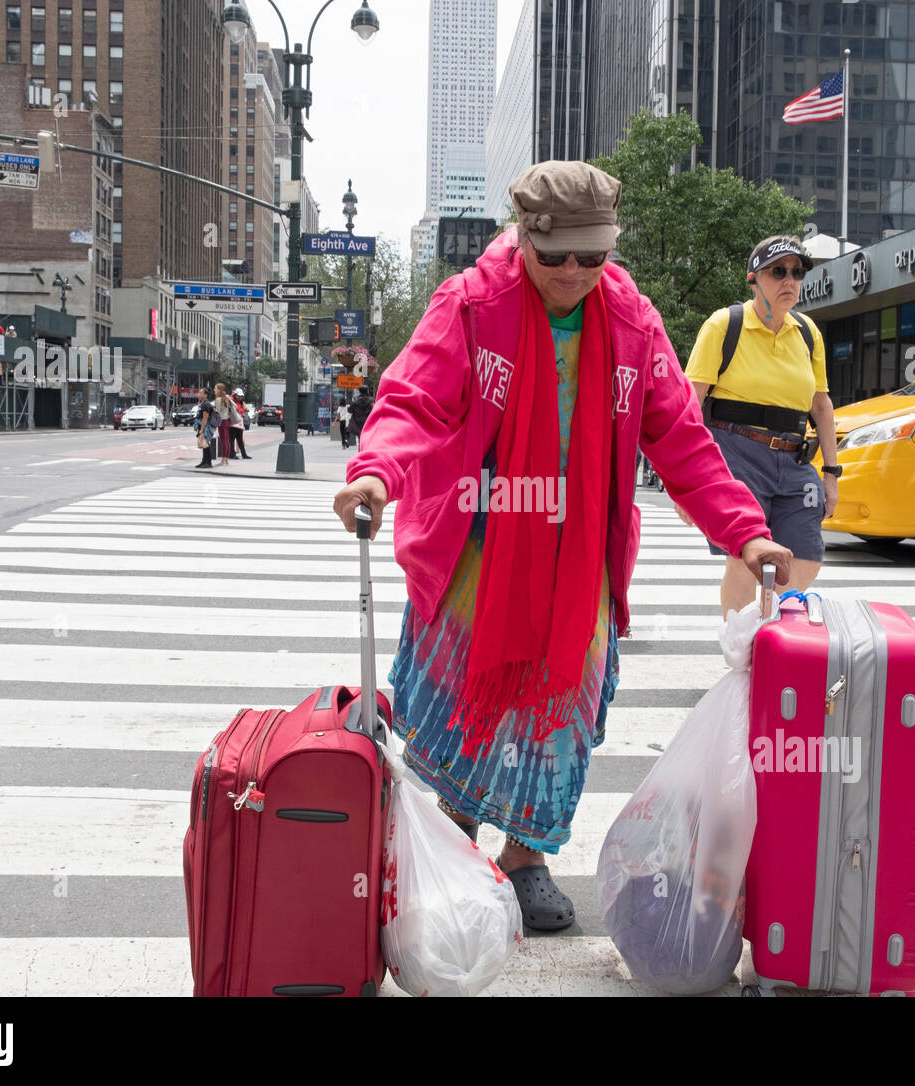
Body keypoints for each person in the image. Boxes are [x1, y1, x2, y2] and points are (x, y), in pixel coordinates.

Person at [332, 160, 792, 932]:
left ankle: (524, 858)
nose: (576, 273)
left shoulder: (634, 322)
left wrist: (744, 531)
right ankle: (451, 842)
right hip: (482, 544)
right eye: (557, 258)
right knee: (465, 702)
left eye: (594, 256)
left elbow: (680, 439)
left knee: (561, 713)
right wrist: (376, 472)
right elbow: (412, 396)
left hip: (583, 558)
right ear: (524, 241)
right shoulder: (471, 306)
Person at [684, 235, 839, 617]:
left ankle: (769, 635)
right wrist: (681, 482)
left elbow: (821, 405)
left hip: (795, 459)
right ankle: (740, 651)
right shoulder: (725, 325)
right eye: (778, 272)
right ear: (753, 279)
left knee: (806, 557)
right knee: (742, 558)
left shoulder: (807, 332)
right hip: (737, 453)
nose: (790, 281)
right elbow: (688, 401)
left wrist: (832, 473)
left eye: (797, 272)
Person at [194, 387, 218, 469]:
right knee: (204, 445)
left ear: (205, 395)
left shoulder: (206, 405)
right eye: (199, 393)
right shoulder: (203, 403)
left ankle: (208, 462)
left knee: (206, 445)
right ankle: (204, 461)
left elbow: (205, 418)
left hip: (206, 427)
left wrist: (201, 429)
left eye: (201, 393)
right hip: (203, 426)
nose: (199, 394)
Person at [213, 383, 236, 467]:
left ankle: (224, 459)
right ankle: (226, 459)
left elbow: (217, 413)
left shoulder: (218, 400)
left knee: (223, 441)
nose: (214, 390)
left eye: (215, 388)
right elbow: (234, 406)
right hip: (227, 421)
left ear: (219, 389)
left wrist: (215, 425)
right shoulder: (226, 398)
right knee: (227, 441)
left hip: (221, 422)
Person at [230, 390, 252, 459]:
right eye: (238, 396)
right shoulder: (232, 401)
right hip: (232, 424)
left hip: (239, 424)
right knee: (231, 440)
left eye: (241, 396)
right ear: (235, 395)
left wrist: (245, 409)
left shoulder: (241, 403)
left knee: (240, 440)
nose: (240, 397)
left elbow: (244, 410)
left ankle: (244, 454)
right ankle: (232, 454)